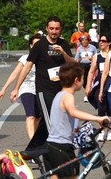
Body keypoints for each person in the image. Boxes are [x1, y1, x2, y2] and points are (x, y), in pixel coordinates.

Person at [11, 16, 74, 151]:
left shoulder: (63, 44)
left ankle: (32, 150)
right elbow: (27, 66)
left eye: (57, 29)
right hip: (44, 89)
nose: (54, 31)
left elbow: (72, 63)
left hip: (61, 89)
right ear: (46, 29)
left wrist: (63, 52)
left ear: (60, 29)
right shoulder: (40, 45)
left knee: (49, 122)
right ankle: (54, 151)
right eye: (51, 28)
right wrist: (16, 88)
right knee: (52, 121)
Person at [43, 62, 109, 179]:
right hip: (61, 147)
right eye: (83, 78)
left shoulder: (59, 94)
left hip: (50, 145)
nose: (83, 81)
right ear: (76, 80)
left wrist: (75, 130)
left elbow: (62, 119)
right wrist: (99, 118)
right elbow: (74, 112)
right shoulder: (68, 96)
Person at [0, 34, 42, 140]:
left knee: (38, 117)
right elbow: (14, 74)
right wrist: (4, 89)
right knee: (30, 115)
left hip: (40, 89)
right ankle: (33, 141)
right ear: (30, 45)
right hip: (26, 89)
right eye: (35, 44)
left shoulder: (44, 59)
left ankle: (35, 137)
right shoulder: (25, 58)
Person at [85, 34, 111, 142]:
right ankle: (102, 130)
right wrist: (88, 86)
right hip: (98, 85)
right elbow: (91, 72)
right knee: (101, 108)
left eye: (103, 41)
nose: (101, 42)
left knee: (110, 109)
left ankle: (110, 131)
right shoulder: (97, 56)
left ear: (109, 43)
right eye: (100, 41)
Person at [74, 35, 97, 102]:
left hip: (90, 65)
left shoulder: (92, 47)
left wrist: (92, 58)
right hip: (82, 66)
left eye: (86, 40)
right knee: (84, 82)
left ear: (88, 40)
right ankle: (88, 92)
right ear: (81, 41)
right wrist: (77, 60)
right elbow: (76, 58)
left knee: (89, 81)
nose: (84, 41)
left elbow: (97, 56)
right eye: (83, 40)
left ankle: (86, 95)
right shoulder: (79, 49)